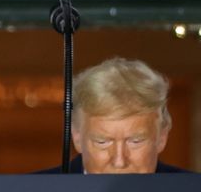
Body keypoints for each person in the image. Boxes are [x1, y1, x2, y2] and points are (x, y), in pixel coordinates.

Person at [42, 57, 186, 174]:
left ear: (162, 137)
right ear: (77, 137)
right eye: (102, 142)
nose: (119, 162)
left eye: (135, 141)